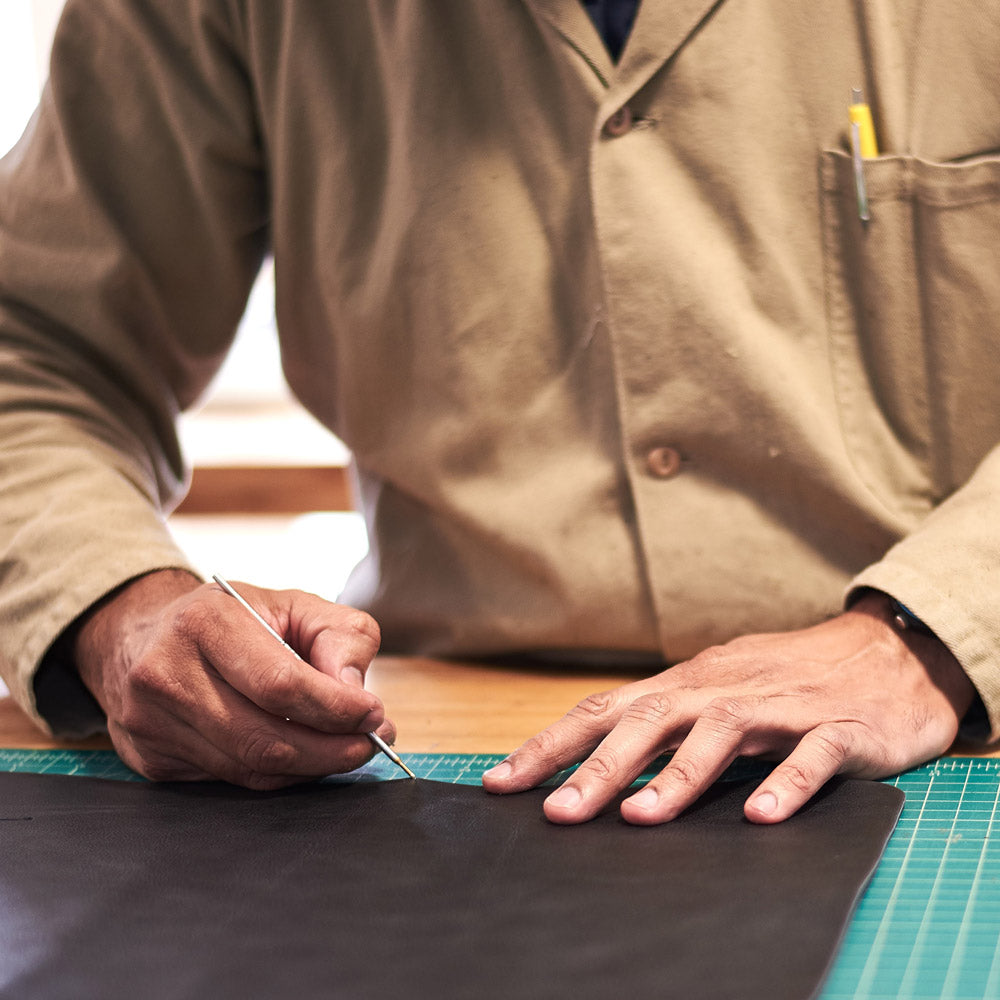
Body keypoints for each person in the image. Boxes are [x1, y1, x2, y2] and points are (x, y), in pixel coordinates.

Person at [0, 1, 995, 824]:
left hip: (954, 718)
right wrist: (113, 603)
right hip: (446, 743)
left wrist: (924, 635)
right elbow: (32, 356)